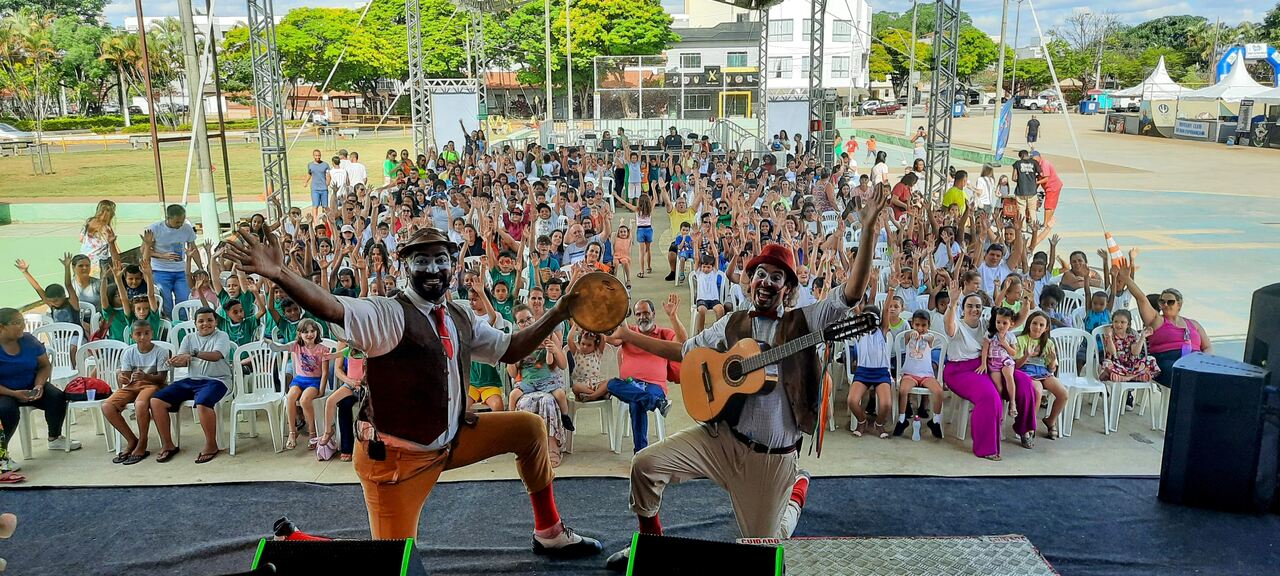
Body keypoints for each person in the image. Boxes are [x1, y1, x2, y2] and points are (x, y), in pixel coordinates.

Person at [221, 226, 602, 555]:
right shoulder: (387, 313)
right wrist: (280, 273)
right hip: (396, 461)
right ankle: (299, 542)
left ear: (454, 265)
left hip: (448, 439)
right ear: (405, 266)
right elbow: (334, 308)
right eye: (421, 260)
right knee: (392, 563)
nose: (433, 268)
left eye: (441, 259)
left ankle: (549, 533)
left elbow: (511, 348)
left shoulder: (460, 315)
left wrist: (560, 311)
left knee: (529, 429)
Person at [600, 190, 888, 571]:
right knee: (644, 466)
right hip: (721, 440)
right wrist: (631, 337)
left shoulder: (805, 322)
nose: (767, 282)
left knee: (766, 553)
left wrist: (866, 229)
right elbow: (688, 352)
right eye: (760, 274)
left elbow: (851, 293)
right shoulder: (732, 323)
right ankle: (651, 543)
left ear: (788, 287)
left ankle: (795, 496)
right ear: (750, 281)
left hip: (770, 459)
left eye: (777, 277)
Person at [941, 275, 1038, 459]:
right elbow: (949, 324)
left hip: (986, 367)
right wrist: (952, 303)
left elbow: (1015, 322)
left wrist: (1027, 299)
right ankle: (986, 447)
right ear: (963, 309)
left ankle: (1024, 429)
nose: (974, 309)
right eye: (969, 306)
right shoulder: (957, 325)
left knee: (1025, 382)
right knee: (989, 397)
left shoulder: (986, 325)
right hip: (959, 371)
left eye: (978, 306)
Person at [149, 307, 233, 464]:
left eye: (209, 320)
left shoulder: (222, 336)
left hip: (218, 380)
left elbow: (216, 356)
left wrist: (193, 354)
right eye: (201, 321)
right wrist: (175, 361)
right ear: (195, 323)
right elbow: (183, 360)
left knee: (202, 402)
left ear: (216, 322)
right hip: (191, 380)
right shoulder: (188, 338)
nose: (205, 324)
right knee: (156, 401)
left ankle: (211, 445)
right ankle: (168, 444)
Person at [602, 296, 684, 454]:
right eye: (638, 314)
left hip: (655, 386)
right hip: (630, 385)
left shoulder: (664, 333)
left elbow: (682, 345)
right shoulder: (628, 332)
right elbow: (611, 340)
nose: (642, 317)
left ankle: (639, 454)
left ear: (653, 314)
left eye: (646, 313)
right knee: (612, 384)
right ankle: (656, 403)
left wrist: (673, 317)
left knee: (636, 403)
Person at [0, 308, 81, 466]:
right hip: (5, 392)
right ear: (1, 327)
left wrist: (39, 385)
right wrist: (14, 393)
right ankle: (2, 454)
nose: (22, 326)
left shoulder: (29, 340)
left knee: (57, 397)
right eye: (17, 323)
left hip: (31, 386)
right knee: (6, 411)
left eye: (22, 321)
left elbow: (45, 366)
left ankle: (55, 438)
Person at [1112, 261, 1210, 387]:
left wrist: (1202, 359)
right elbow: (1141, 299)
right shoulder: (1157, 320)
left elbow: (1208, 347)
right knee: (1183, 376)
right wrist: (1127, 279)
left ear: (1179, 304)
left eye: (1170, 302)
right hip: (1167, 359)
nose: (1165, 305)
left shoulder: (1193, 324)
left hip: (1193, 360)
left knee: (1213, 376)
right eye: (1162, 301)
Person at [103, 320, 170, 465]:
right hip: (133, 385)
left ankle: (143, 442)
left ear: (152, 333)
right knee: (107, 406)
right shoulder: (129, 351)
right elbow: (126, 379)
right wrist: (121, 377)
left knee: (140, 404)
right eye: (138, 334)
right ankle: (131, 440)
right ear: (132, 336)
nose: (143, 337)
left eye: (146, 333)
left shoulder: (160, 351)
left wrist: (145, 376)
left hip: (152, 385)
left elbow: (162, 379)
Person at [1016, 311, 1068, 439]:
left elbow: (1051, 369)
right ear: (1029, 324)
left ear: (1046, 328)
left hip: (1043, 372)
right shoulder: (1021, 340)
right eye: (1034, 323)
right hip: (1026, 371)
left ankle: (1051, 420)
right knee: (1037, 391)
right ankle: (1029, 426)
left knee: (1063, 394)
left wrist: (1051, 361)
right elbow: (1016, 365)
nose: (1037, 327)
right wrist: (1026, 355)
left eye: (1041, 325)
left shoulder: (1049, 343)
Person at [892, 310, 944, 438]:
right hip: (910, 373)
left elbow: (930, 338)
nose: (920, 328)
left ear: (928, 325)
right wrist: (912, 333)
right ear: (912, 324)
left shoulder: (930, 337)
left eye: (923, 325)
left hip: (926, 375)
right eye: (917, 325)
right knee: (903, 390)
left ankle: (935, 421)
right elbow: (907, 337)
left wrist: (924, 336)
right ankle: (902, 419)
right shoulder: (909, 335)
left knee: (938, 391)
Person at [144, 204, 198, 319]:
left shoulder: (186, 228)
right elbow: (143, 250)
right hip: (160, 270)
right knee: (166, 303)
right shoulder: (155, 229)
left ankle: (182, 326)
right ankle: (169, 325)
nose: (180, 225)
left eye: (182, 221)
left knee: (184, 301)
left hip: (180, 271)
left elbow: (193, 248)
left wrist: (200, 267)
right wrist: (162, 255)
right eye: (177, 222)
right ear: (168, 218)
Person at [981, 307, 1020, 419]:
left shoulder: (1010, 336)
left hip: (1005, 361)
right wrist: (983, 364)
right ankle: (997, 409)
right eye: (998, 322)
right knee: (998, 387)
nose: (1001, 325)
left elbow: (1014, 353)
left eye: (1004, 323)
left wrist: (1005, 344)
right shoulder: (990, 334)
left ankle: (1012, 403)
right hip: (993, 362)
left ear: (1011, 324)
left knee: (1009, 376)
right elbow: (985, 350)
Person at [1010, 150, 1041, 222]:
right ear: (1027, 154)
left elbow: (1014, 178)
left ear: (1020, 156)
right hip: (1032, 190)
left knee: (1021, 210)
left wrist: (1021, 181)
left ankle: (1023, 228)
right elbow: (1041, 174)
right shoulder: (1034, 162)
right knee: (1032, 210)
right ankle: (1034, 227)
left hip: (1021, 191)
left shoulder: (1017, 163)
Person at [305, 149, 332, 222]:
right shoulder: (310, 165)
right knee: (315, 206)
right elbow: (309, 174)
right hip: (315, 189)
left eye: (319, 155)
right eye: (316, 155)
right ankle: (315, 221)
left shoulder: (325, 165)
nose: (318, 157)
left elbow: (328, 174)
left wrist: (328, 182)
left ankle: (327, 220)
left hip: (324, 189)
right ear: (313, 156)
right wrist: (306, 182)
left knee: (325, 206)